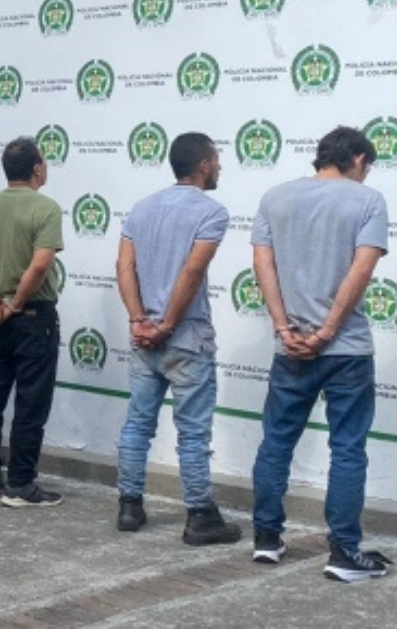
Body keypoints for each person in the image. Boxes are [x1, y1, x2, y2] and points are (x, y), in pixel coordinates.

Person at [249, 126, 391, 581]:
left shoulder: (275, 197)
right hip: (345, 347)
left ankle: (267, 539)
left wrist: (283, 327)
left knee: (276, 442)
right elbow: (361, 269)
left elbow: (263, 265)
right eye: (366, 167)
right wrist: (329, 329)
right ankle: (344, 551)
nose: (365, 175)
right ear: (357, 160)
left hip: (290, 346)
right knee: (348, 449)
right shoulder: (367, 201)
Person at [113, 132, 241, 544]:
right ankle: (200, 514)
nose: (220, 166)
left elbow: (124, 267)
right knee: (193, 432)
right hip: (186, 339)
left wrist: (138, 321)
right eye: (217, 159)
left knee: (137, 424)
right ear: (203, 165)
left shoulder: (142, 209)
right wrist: (166, 323)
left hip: (144, 339)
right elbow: (192, 272)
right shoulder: (212, 212)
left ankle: (129, 506)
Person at [0, 136, 65, 507]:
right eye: (45, 162)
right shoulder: (46, 209)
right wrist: (15, 304)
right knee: (30, 402)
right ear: (37, 168)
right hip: (32, 316)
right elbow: (40, 264)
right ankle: (21, 484)